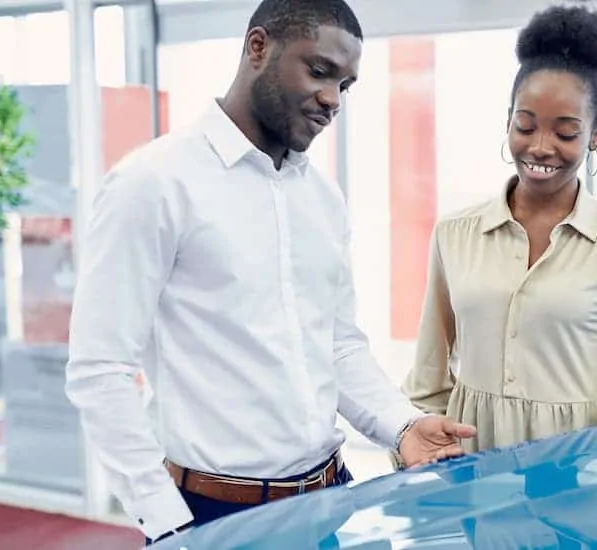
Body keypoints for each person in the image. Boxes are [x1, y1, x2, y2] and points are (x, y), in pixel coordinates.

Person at [64, 0, 475, 544]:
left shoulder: (323, 199)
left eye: (345, 85)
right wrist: (166, 522)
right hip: (212, 516)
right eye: (319, 70)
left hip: (332, 502)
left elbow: (338, 346)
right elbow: (100, 370)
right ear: (258, 47)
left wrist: (401, 425)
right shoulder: (155, 183)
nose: (332, 99)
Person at [401, 5, 597, 455]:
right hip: (473, 460)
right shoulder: (455, 233)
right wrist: (416, 445)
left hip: (574, 463)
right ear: (508, 119)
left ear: (596, 136)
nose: (540, 147)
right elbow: (429, 373)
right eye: (525, 125)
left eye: (566, 133)